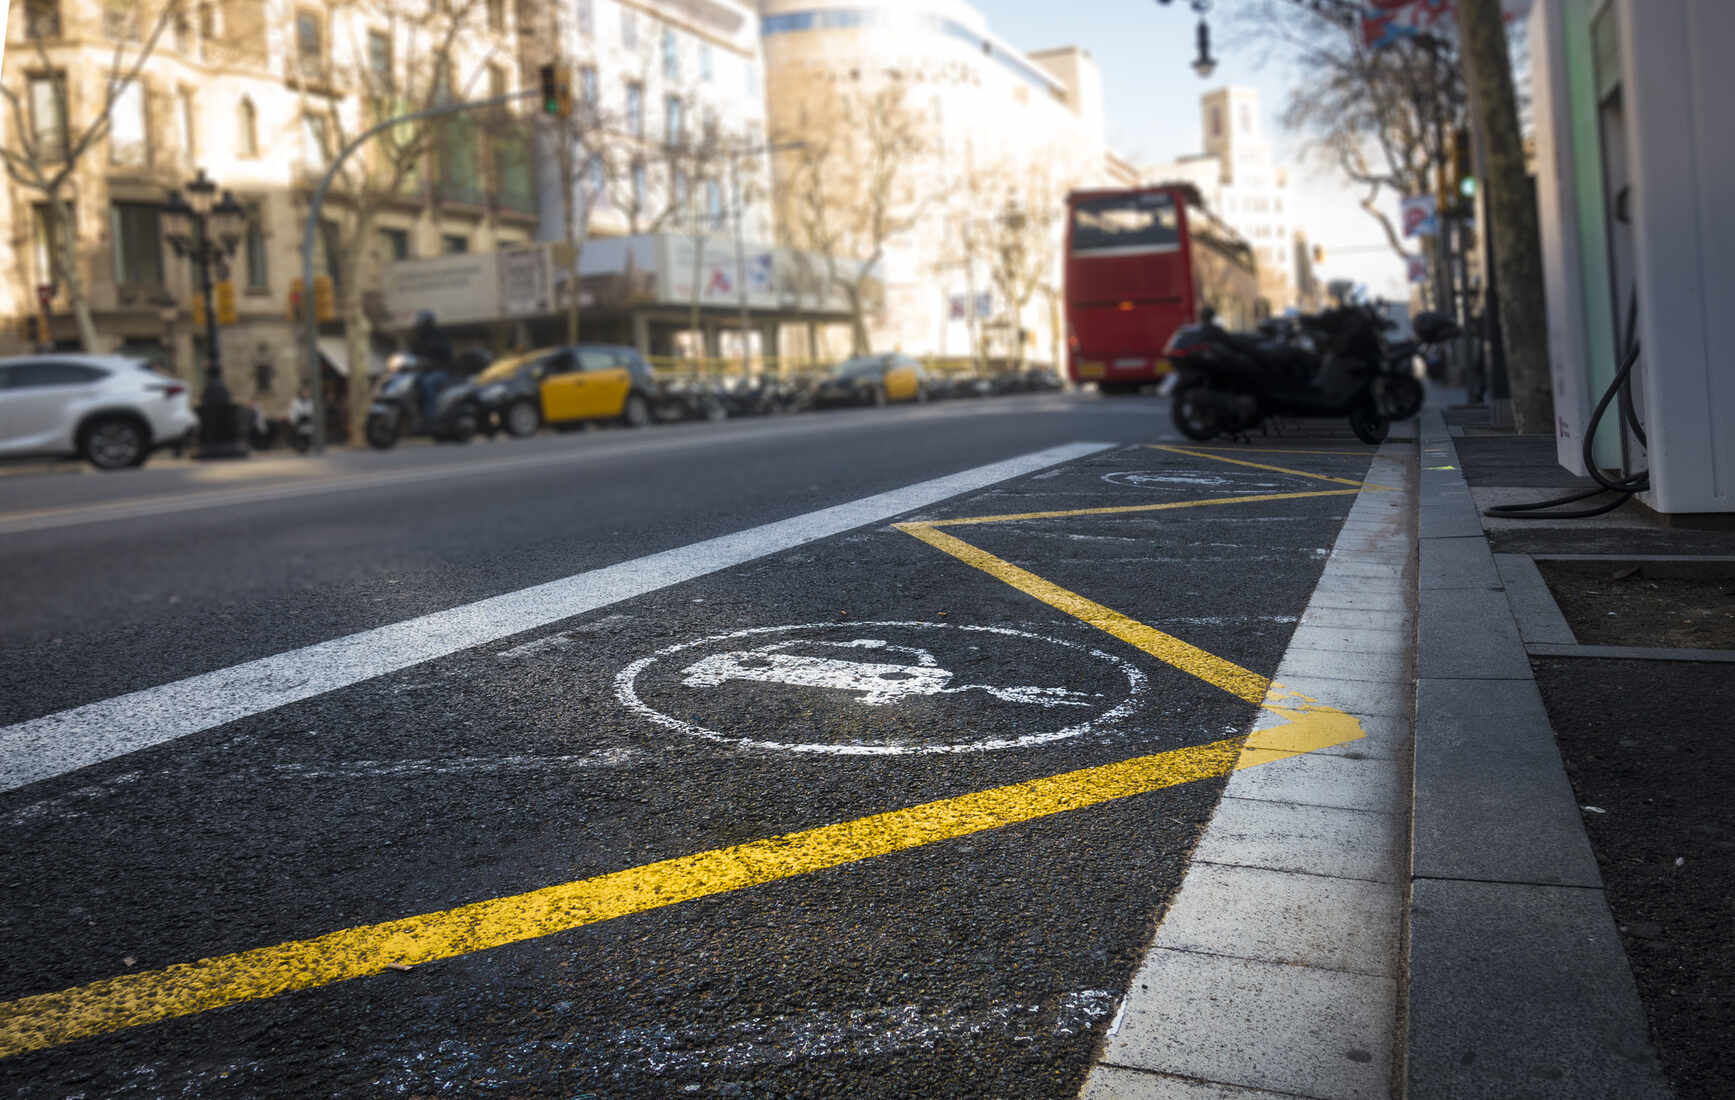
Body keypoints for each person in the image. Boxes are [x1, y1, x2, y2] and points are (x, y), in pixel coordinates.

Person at [408, 310, 453, 422]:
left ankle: (431, 416)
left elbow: (446, 350)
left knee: (428, 384)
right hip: (423, 371)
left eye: (422, 321)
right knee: (408, 383)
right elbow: (412, 352)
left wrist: (433, 350)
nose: (420, 324)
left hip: (441, 370)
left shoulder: (439, 335)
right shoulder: (418, 338)